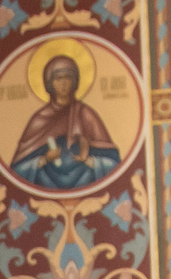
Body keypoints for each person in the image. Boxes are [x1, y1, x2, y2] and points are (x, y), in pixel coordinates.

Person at [7, 47, 122, 191]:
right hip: (46, 183)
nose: (63, 83)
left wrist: (89, 161)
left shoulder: (86, 114)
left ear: (75, 81)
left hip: (85, 181)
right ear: (49, 82)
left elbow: (114, 164)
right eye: (58, 78)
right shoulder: (39, 119)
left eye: (68, 77)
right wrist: (44, 160)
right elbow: (17, 172)